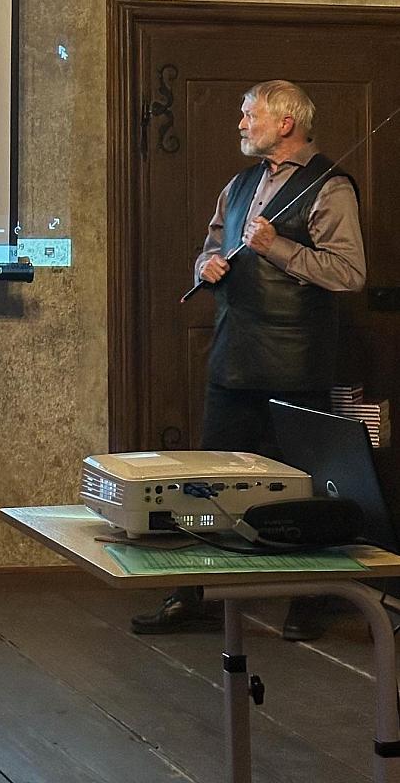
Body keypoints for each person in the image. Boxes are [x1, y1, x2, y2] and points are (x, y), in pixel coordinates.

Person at [132, 80, 366, 640]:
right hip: (232, 357)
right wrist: (205, 266)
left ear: (285, 123)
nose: (240, 124)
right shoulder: (239, 185)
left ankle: (313, 598)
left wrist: (275, 247)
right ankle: (196, 594)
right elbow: (213, 246)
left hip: (296, 364)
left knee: (305, 484)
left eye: (249, 115)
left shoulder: (330, 185)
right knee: (207, 481)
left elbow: (350, 273)